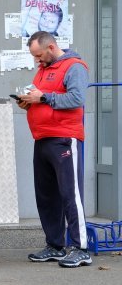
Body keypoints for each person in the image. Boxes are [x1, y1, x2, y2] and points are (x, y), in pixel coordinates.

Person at [16, 31, 91, 268]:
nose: (37, 61)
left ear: (51, 47)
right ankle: (55, 245)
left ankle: (81, 248)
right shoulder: (43, 70)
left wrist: (44, 98)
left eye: (38, 55)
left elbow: (77, 98)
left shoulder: (74, 67)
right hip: (42, 138)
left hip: (64, 139)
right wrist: (27, 102)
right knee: (47, 196)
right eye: (34, 57)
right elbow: (42, 99)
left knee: (71, 194)